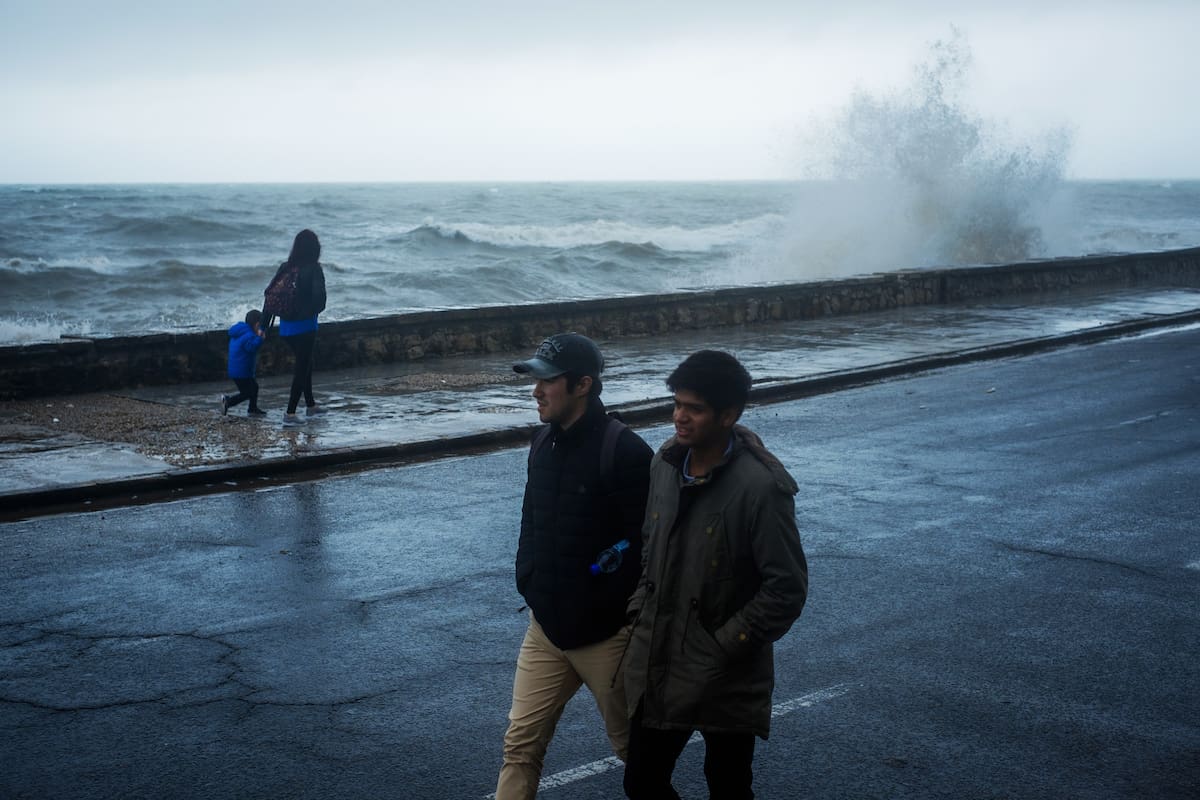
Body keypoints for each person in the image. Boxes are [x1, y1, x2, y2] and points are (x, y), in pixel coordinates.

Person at [622, 350, 808, 800]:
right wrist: (637, 612)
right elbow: (651, 544)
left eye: (695, 409)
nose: (679, 417)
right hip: (661, 658)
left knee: (727, 785)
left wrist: (721, 646)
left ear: (728, 415)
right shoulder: (665, 464)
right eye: (677, 404)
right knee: (642, 782)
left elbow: (786, 588)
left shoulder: (761, 488)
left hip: (725, 671)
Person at [496, 333, 654, 800]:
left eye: (547, 381)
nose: (536, 391)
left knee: (636, 754)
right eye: (535, 380)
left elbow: (646, 545)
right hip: (545, 627)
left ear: (583, 385)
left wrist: (612, 608)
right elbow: (531, 519)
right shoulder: (541, 441)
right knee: (519, 747)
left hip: (607, 636)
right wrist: (530, 580)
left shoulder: (625, 451)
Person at [265, 229, 327, 427]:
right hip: (306, 326)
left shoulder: (286, 266)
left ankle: (310, 405)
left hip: (286, 327)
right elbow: (320, 299)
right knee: (302, 368)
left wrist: (265, 325)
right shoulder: (314, 268)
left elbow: (271, 296)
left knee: (305, 363)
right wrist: (309, 313)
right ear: (314, 248)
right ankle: (290, 413)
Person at [220, 309, 267, 417]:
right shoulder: (249, 335)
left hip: (237, 369)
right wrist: (260, 338)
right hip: (242, 371)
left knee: (254, 387)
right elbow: (251, 348)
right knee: (247, 392)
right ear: (257, 324)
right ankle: (228, 401)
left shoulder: (240, 332)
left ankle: (252, 408)